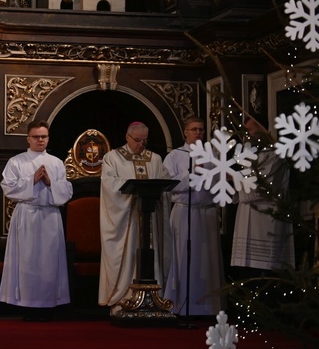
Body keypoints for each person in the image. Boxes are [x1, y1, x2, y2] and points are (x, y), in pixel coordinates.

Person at [0, 119, 74, 320]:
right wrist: (32, 180)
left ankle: (50, 304)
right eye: (36, 137)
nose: (40, 140)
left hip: (50, 216)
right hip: (27, 216)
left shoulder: (56, 163)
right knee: (27, 261)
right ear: (28, 139)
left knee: (49, 262)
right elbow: (8, 187)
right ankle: (25, 304)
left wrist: (50, 182)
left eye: (44, 137)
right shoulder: (17, 162)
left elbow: (66, 191)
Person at [98, 121, 171, 314]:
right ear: (127, 137)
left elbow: (165, 184)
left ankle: (152, 298)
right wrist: (134, 187)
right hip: (126, 222)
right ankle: (124, 299)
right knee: (129, 255)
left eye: (145, 141)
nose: (141, 145)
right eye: (137, 140)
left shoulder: (155, 159)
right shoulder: (112, 158)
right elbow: (109, 186)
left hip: (149, 220)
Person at [163, 116, 225, 316]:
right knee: (184, 258)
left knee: (208, 261)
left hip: (206, 212)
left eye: (201, 129)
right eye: (194, 129)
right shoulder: (175, 156)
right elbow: (167, 185)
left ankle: (208, 306)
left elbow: (220, 183)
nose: (198, 133)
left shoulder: (212, 154)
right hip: (184, 211)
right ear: (185, 132)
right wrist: (191, 174)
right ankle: (182, 304)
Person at [231, 117, 295, 276]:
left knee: (264, 271)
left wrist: (234, 177)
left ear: (261, 129)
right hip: (247, 215)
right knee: (247, 271)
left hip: (266, 219)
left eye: (250, 130)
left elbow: (265, 186)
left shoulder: (274, 154)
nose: (247, 135)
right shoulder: (249, 155)